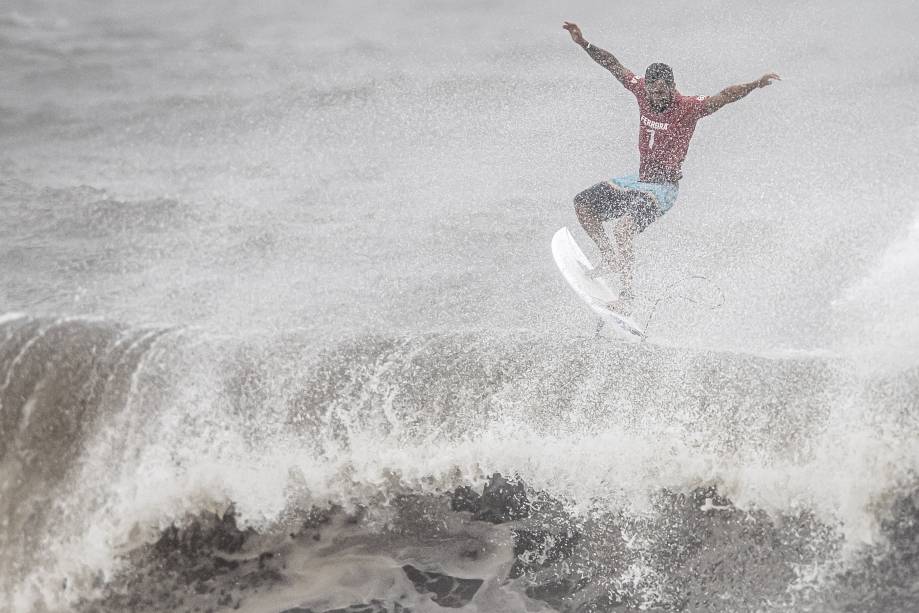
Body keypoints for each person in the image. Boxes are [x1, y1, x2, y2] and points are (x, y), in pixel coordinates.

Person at [563, 21, 780, 311]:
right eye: (653, 93)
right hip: (638, 180)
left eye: (663, 92)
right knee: (583, 204)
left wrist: (754, 84)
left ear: (673, 87)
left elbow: (723, 96)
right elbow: (614, 66)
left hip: (663, 190)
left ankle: (627, 296)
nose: (657, 98)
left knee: (623, 230)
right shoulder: (641, 91)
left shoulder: (689, 107)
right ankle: (609, 257)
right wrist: (584, 43)